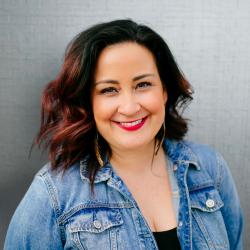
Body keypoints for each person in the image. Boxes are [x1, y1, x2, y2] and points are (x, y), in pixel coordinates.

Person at [4, 19, 243, 250]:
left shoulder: (210, 168)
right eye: (109, 90)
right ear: (88, 103)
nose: (129, 108)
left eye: (143, 85)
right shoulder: (54, 192)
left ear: (164, 91)